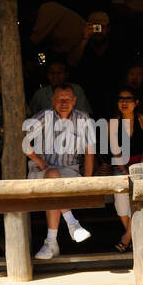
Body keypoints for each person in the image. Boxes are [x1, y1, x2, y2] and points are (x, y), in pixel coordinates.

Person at [26, 84, 96, 259]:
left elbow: (89, 151)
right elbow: (23, 142)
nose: (63, 103)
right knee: (52, 175)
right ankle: (73, 224)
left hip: (70, 172)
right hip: (40, 172)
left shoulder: (83, 118)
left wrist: (88, 180)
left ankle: (51, 242)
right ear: (52, 101)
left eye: (67, 99)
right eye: (59, 99)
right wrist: (39, 160)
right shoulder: (44, 117)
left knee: (55, 182)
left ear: (74, 101)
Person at [108, 85, 143, 252]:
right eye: (121, 99)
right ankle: (136, 235)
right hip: (121, 166)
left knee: (139, 196)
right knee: (120, 198)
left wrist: (139, 169)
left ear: (136, 102)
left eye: (128, 99)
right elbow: (116, 151)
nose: (124, 102)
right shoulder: (113, 123)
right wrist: (124, 169)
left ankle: (127, 237)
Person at [70, 11, 131, 114]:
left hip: (112, 103)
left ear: (108, 28)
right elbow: (72, 62)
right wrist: (84, 39)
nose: (98, 31)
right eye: (94, 27)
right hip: (86, 103)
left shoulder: (118, 47)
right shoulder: (82, 46)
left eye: (101, 27)